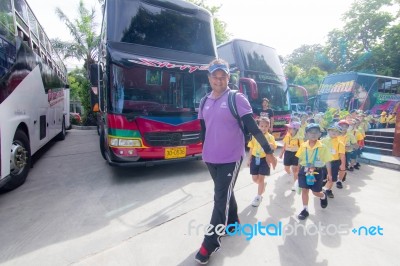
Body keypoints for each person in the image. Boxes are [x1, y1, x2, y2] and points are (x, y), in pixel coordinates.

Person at [195, 58, 277, 264]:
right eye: (215, 76)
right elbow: (204, 130)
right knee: (224, 192)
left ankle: (210, 242)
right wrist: (203, 150)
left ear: (228, 78)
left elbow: (252, 127)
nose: (219, 80)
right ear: (209, 78)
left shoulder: (236, 98)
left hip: (231, 157)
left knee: (219, 197)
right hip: (210, 157)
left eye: (223, 76)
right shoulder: (204, 101)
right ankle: (233, 221)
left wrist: (267, 150)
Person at [295, 123, 332, 220]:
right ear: (306, 134)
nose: (313, 134)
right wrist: (297, 172)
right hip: (304, 171)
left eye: (316, 132)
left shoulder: (323, 147)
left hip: (317, 172)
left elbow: (327, 161)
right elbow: (299, 159)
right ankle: (305, 210)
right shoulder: (303, 146)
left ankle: (323, 196)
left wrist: (329, 174)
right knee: (304, 190)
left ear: (320, 134)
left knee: (316, 192)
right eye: (310, 132)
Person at [247, 117, 277, 207]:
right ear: (258, 126)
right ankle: (262, 185)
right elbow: (251, 148)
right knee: (255, 179)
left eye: (266, 126)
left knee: (261, 178)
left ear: (269, 127)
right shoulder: (255, 136)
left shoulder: (270, 137)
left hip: (265, 160)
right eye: (262, 126)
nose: (264, 128)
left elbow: (274, 147)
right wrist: (249, 159)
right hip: (255, 159)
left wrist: (271, 146)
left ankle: (258, 197)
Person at [321, 124, 346, 196]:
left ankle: (328, 190)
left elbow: (342, 154)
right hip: (324, 162)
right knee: (322, 176)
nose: (334, 132)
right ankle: (324, 185)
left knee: (332, 178)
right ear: (328, 131)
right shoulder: (323, 140)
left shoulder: (340, 143)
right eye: (332, 130)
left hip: (334, 162)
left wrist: (343, 164)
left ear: (339, 134)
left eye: (336, 131)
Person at [279, 121, 303, 191]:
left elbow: (302, 148)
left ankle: (295, 184)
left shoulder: (299, 138)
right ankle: (290, 174)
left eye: (290, 128)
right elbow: (285, 145)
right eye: (288, 128)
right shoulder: (287, 135)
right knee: (286, 168)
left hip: (296, 154)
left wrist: (301, 157)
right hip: (288, 153)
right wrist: (281, 153)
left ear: (296, 129)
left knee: (295, 170)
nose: (288, 129)